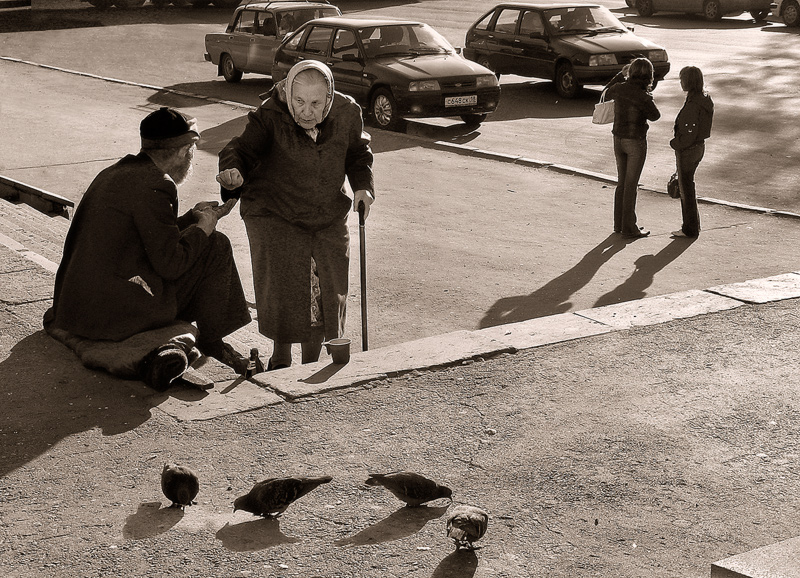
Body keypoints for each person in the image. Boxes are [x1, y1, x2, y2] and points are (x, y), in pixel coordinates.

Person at [44, 107, 255, 389]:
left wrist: (193, 217)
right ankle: (212, 340)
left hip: (76, 305)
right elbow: (171, 263)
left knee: (202, 238)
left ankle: (206, 338)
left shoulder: (118, 172)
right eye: (192, 150)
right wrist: (205, 227)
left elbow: (151, 234)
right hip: (112, 313)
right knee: (215, 244)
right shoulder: (157, 186)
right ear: (184, 151)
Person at [217, 60, 374, 370]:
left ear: (329, 97)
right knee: (286, 285)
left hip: (326, 210)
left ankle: (310, 363)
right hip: (275, 210)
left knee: (324, 288)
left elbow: (358, 153)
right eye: (299, 101)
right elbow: (241, 149)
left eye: (316, 103)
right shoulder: (270, 114)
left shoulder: (347, 112)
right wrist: (232, 170)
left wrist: (362, 187)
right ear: (288, 93)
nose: (306, 111)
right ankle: (281, 358)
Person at [605, 57, 661, 239]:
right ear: (649, 76)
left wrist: (620, 75)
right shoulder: (643, 96)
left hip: (618, 138)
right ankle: (630, 228)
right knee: (631, 185)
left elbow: (606, 92)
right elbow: (655, 116)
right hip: (635, 141)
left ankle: (619, 224)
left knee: (621, 183)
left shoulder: (619, 89)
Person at [670, 66, 713, 238]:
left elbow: (689, 132)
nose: (680, 82)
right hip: (698, 147)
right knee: (688, 187)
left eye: (682, 79)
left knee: (686, 190)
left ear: (689, 81)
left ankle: (689, 228)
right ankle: (693, 226)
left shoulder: (693, 103)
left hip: (688, 149)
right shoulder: (703, 99)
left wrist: (675, 143)